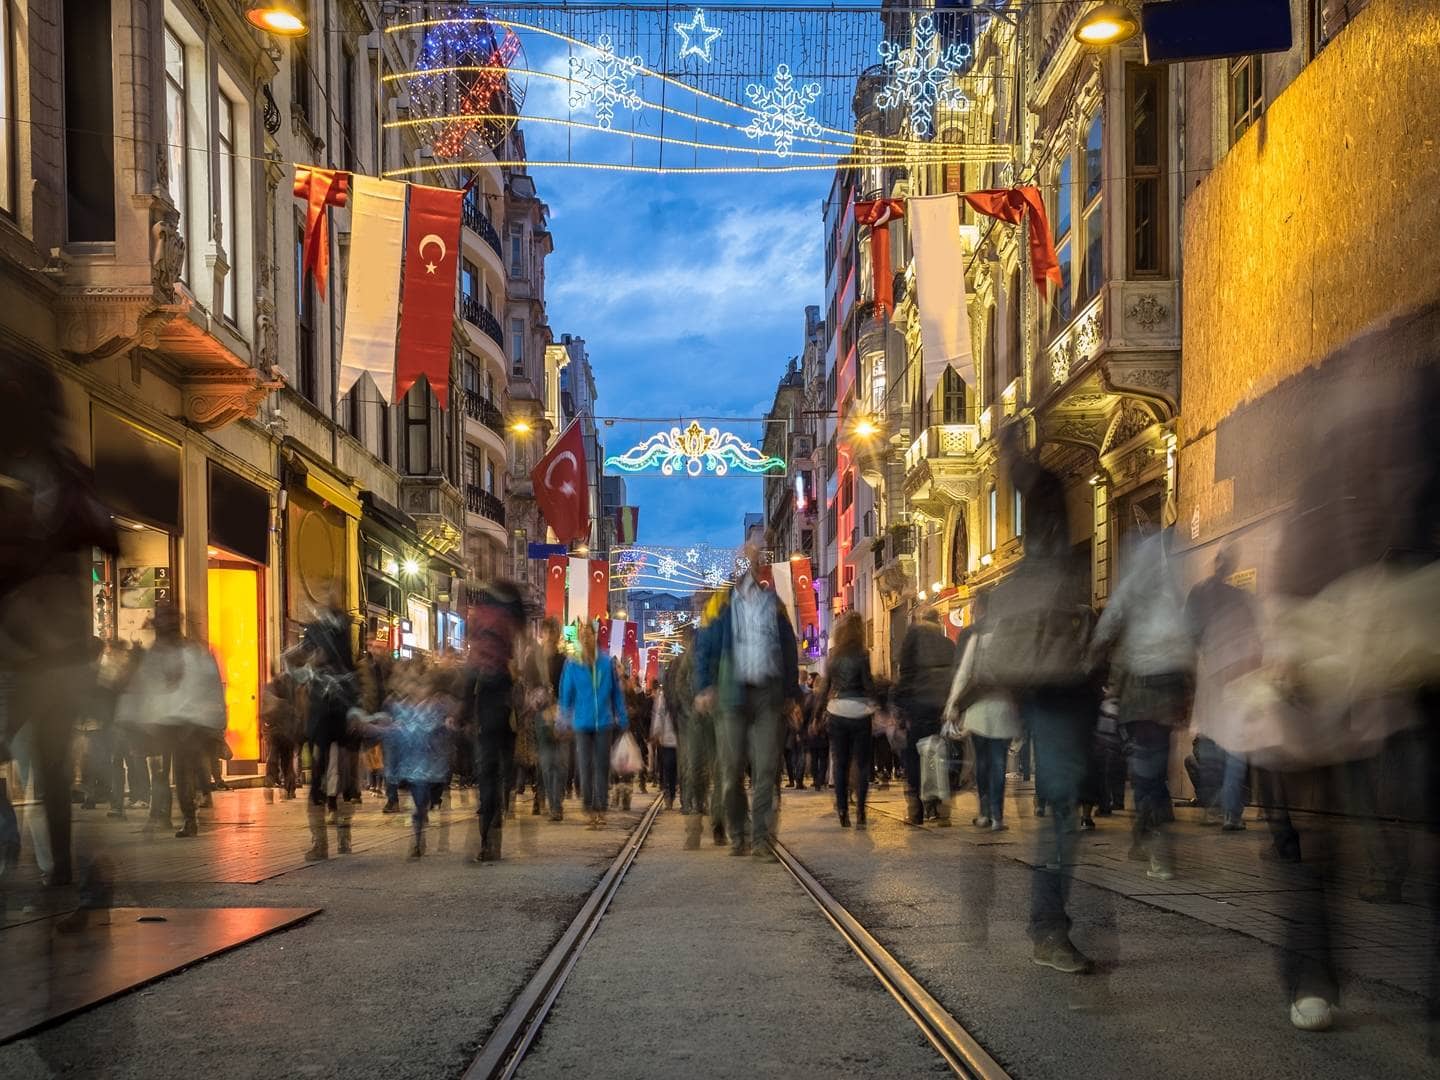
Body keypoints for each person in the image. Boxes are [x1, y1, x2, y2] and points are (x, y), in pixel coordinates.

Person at [1090, 517, 1195, 882]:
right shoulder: (1172, 592)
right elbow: (1187, 645)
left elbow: (1106, 630)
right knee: (1155, 768)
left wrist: (1089, 664)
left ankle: (1159, 847)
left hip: (1141, 692)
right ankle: (1142, 836)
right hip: (1170, 692)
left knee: (1145, 773)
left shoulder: (1132, 588)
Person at [693, 539, 803, 858]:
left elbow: (788, 649)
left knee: (767, 768)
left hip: (768, 694)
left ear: (759, 566)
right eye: (744, 561)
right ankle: (739, 832)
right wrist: (704, 686)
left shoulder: (775, 603)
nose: (749, 566)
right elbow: (704, 647)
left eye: (754, 561)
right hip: (731, 694)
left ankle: (762, 839)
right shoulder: (720, 604)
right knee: (730, 773)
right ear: (736, 567)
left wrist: (792, 694)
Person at [114, 604, 227, 839]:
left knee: (178, 770)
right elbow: (145, 684)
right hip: (165, 721)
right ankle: (166, 816)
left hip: (182, 721)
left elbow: (198, 685)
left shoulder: (185, 652)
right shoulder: (167, 652)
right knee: (164, 770)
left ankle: (182, 818)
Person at [1185, 545, 1260, 831]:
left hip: (1212, 678)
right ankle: (1230, 812)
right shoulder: (1242, 598)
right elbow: (1256, 639)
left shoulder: (1199, 594)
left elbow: (1189, 636)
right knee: (1236, 746)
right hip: (1238, 678)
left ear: (1217, 563)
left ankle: (1215, 808)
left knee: (1212, 744)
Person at [945, 595, 1022, 832]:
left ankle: (984, 813)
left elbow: (963, 673)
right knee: (999, 763)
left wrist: (952, 705)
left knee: (983, 762)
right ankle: (998, 817)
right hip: (1004, 710)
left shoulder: (975, 637)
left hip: (978, 710)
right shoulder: (1012, 641)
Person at [465, 581, 527, 862]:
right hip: (508, 704)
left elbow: (472, 664)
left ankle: (488, 836)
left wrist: (464, 709)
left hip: (488, 701)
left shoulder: (480, 618)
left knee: (487, 771)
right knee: (503, 766)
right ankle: (498, 818)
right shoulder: (512, 620)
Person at [297, 605, 361, 860]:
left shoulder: (337, 668)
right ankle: (328, 842)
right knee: (323, 780)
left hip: (332, 718)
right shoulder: (344, 666)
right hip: (327, 719)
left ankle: (333, 841)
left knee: (336, 780)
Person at [559, 622, 628, 829]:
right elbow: (566, 695)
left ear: (594, 636)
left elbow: (616, 693)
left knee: (601, 767)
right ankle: (589, 809)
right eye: (582, 635)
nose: (586, 638)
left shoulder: (606, 663)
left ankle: (601, 809)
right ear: (579, 639)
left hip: (604, 722)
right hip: (582, 722)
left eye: (589, 634)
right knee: (585, 767)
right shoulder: (572, 664)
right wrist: (562, 721)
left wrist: (622, 716)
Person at [893, 607, 957, 826]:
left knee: (914, 757)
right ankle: (941, 808)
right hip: (940, 708)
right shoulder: (949, 645)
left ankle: (916, 810)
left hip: (917, 706)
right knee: (939, 755)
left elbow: (905, 674)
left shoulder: (913, 639)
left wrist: (901, 705)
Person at [816, 612, 876, 830]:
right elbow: (868, 684)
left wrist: (816, 716)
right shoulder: (862, 654)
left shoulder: (834, 657)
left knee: (840, 764)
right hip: (860, 712)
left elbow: (824, 689)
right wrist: (880, 705)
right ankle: (860, 810)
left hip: (838, 711)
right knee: (861, 765)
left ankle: (842, 811)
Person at [525, 618, 570, 822]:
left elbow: (569, 688)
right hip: (541, 714)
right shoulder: (532, 659)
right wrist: (541, 701)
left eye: (554, 632)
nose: (550, 636)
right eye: (547, 632)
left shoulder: (564, 660)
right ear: (542, 634)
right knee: (546, 761)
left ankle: (554, 802)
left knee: (559, 762)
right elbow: (529, 686)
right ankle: (550, 801)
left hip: (560, 715)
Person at [260, 665, 303, 802]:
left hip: (274, 732)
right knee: (287, 762)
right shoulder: (291, 694)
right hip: (287, 733)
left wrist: (265, 730)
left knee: (272, 759)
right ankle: (287, 790)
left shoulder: (268, 691)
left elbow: (264, 713)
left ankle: (269, 790)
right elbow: (297, 714)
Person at [650, 682, 680, 810]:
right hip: (668, 739)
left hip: (680, 740)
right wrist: (657, 732)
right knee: (669, 768)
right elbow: (658, 714)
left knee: (676, 770)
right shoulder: (664, 697)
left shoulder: (683, 693)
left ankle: (678, 796)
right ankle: (669, 794)